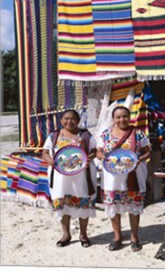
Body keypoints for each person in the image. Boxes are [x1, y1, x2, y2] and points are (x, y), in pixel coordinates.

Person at [96, 106, 151, 252]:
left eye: (125, 116)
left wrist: (139, 159)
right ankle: (117, 237)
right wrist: (103, 157)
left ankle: (134, 237)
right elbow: (99, 152)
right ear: (113, 119)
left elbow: (147, 152)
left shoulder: (138, 134)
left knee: (134, 207)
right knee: (114, 205)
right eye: (118, 117)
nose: (122, 119)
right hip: (112, 177)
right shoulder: (106, 135)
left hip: (132, 176)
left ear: (129, 117)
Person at [42, 109, 97, 248]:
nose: (69, 121)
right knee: (62, 203)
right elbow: (45, 152)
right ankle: (66, 234)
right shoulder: (54, 136)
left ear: (78, 121)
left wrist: (87, 158)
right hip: (61, 177)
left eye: (73, 119)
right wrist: (50, 161)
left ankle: (83, 234)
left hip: (82, 176)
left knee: (83, 201)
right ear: (61, 121)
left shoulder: (85, 135)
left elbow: (94, 151)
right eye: (66, 118)